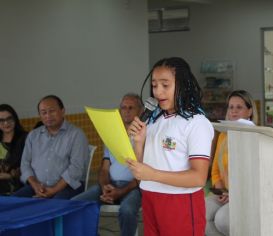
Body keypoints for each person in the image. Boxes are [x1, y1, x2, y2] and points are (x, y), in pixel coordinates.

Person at [126, 57, 214, 236]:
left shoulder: (197, 123)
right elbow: (142, 167)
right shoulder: (152, 121)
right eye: (154, 85)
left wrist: (153, 175)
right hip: (150, 196)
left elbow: (198, 177)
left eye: (165, 85)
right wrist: (139, 142)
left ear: (183, 85)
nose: (158, 92)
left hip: (179, 202)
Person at [72, 93, 143, 236]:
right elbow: (104, 169)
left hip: (134, 187)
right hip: (110, 184)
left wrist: (120, 192)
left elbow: (143, 175)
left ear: (140, 111)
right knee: (75, 203)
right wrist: (105, 186)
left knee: (127, 210)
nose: (127, 111)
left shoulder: (145, 136)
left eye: (131, 108)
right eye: (123, 107)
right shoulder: (113, 135)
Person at [13, 95, 89, 199]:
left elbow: (76, 168)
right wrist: (35, 185)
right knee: (12, 202)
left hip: (68, 187)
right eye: (43, 112)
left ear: (62, 111)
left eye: (52, 111)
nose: (48, 116)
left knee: (54, 207)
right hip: (37, 186)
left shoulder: (76, 134)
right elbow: (25, 164)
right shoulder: (33, 135)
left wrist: (54, 190)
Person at [205, 90, 258, 236]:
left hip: (246, 194)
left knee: (222, 219)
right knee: (201, 214)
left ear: (250, 111)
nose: (234, 111)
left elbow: (253, 174)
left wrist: (234, 193)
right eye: (231, 107)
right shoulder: (223, 134)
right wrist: (222, 190)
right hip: (224, 193)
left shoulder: (257, 136)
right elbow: (215, 170)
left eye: (239, 107)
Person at [0, 104, 28, 195]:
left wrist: (9, 176)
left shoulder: (26, 139)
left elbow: (33, 167)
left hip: (19, 188)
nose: (6, 123)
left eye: (9, 119)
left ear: (15, 118)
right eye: (1, 120)